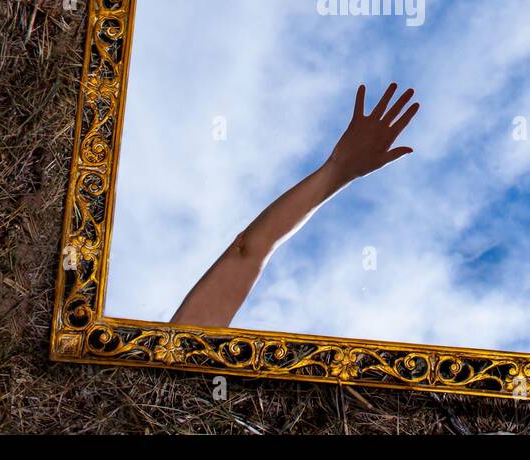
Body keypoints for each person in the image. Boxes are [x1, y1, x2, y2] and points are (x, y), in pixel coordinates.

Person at [171, 82, 419, 327]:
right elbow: (248, 252)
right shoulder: (175, 353)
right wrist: (336, 171)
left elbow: (248, 251)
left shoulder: (182, 351)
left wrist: (337, 171)